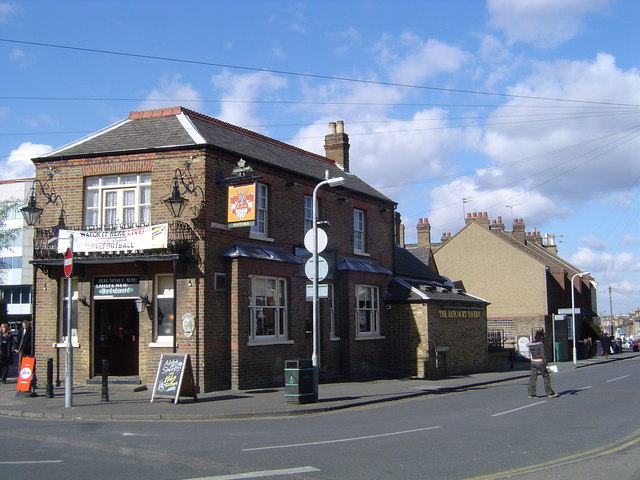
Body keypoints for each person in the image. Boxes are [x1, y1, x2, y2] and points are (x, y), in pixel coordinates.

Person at [528, 330, 558, 398]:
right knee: (546, 376)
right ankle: (550, 393)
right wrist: (546, 364)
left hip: (533, 362)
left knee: (533, 378)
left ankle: (531, 394)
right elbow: (543, 355)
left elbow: (530, 354)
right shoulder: (540, 344)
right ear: (541, 337)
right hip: (540, 362)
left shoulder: (531, 344)